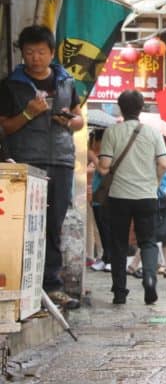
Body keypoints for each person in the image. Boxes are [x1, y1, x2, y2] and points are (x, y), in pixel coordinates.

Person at [0, 25, 84, 310]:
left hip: (60, 160)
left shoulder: (66, 82)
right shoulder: (11, 85)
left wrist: (68, 121)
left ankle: (52, 286)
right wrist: (29, 112)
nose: (35, 58)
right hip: (25, 161)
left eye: (41, 52)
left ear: (51, 52)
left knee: (53, 225)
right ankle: (23, 287)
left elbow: (79, 120)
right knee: (22, 225)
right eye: (29, 53)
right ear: (22, 54)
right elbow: (5, 128)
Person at [98, 90, 166, 305]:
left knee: (119, 243)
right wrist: (155, 182)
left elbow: (105, 166)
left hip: (119, 196)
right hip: (146, 195)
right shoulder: (153, 133)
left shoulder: (112, 132)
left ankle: (119, 292)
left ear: (120, 107)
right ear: (141, 109)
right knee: (147, 241)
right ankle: (149, 276)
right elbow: (165, 164)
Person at [88, 129, 111, 272]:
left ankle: (110, 258)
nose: (93, 143)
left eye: (95, 140)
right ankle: (105, 258)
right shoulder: (97, 154)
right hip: (97, 197)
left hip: (106, 197)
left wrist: (92, 156)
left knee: (107, 229)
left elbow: (104, 171)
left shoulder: (107, 155)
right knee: (101, 229)